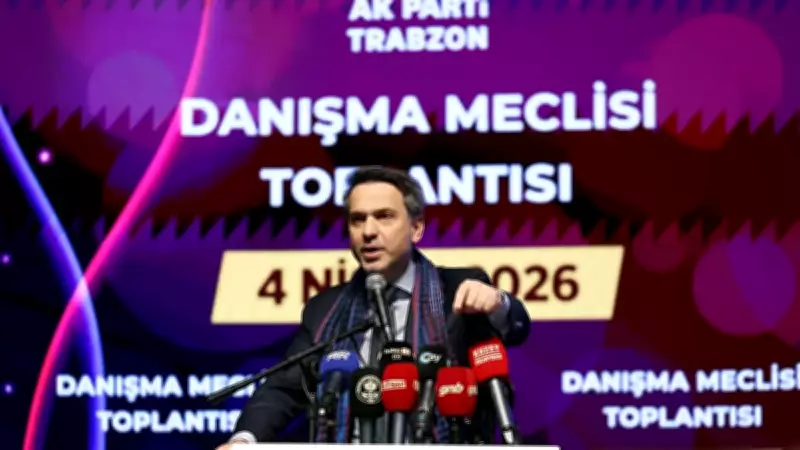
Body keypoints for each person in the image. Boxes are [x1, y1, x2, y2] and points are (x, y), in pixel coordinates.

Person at [216, 166, 531, 448]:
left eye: (384, 217)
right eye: (358, 219)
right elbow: (284, 389)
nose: (368, 231)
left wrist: (498, 302)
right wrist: (244, 440)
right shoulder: (326, 309)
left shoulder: (457, 290)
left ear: (416, 228)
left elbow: (516, 327)